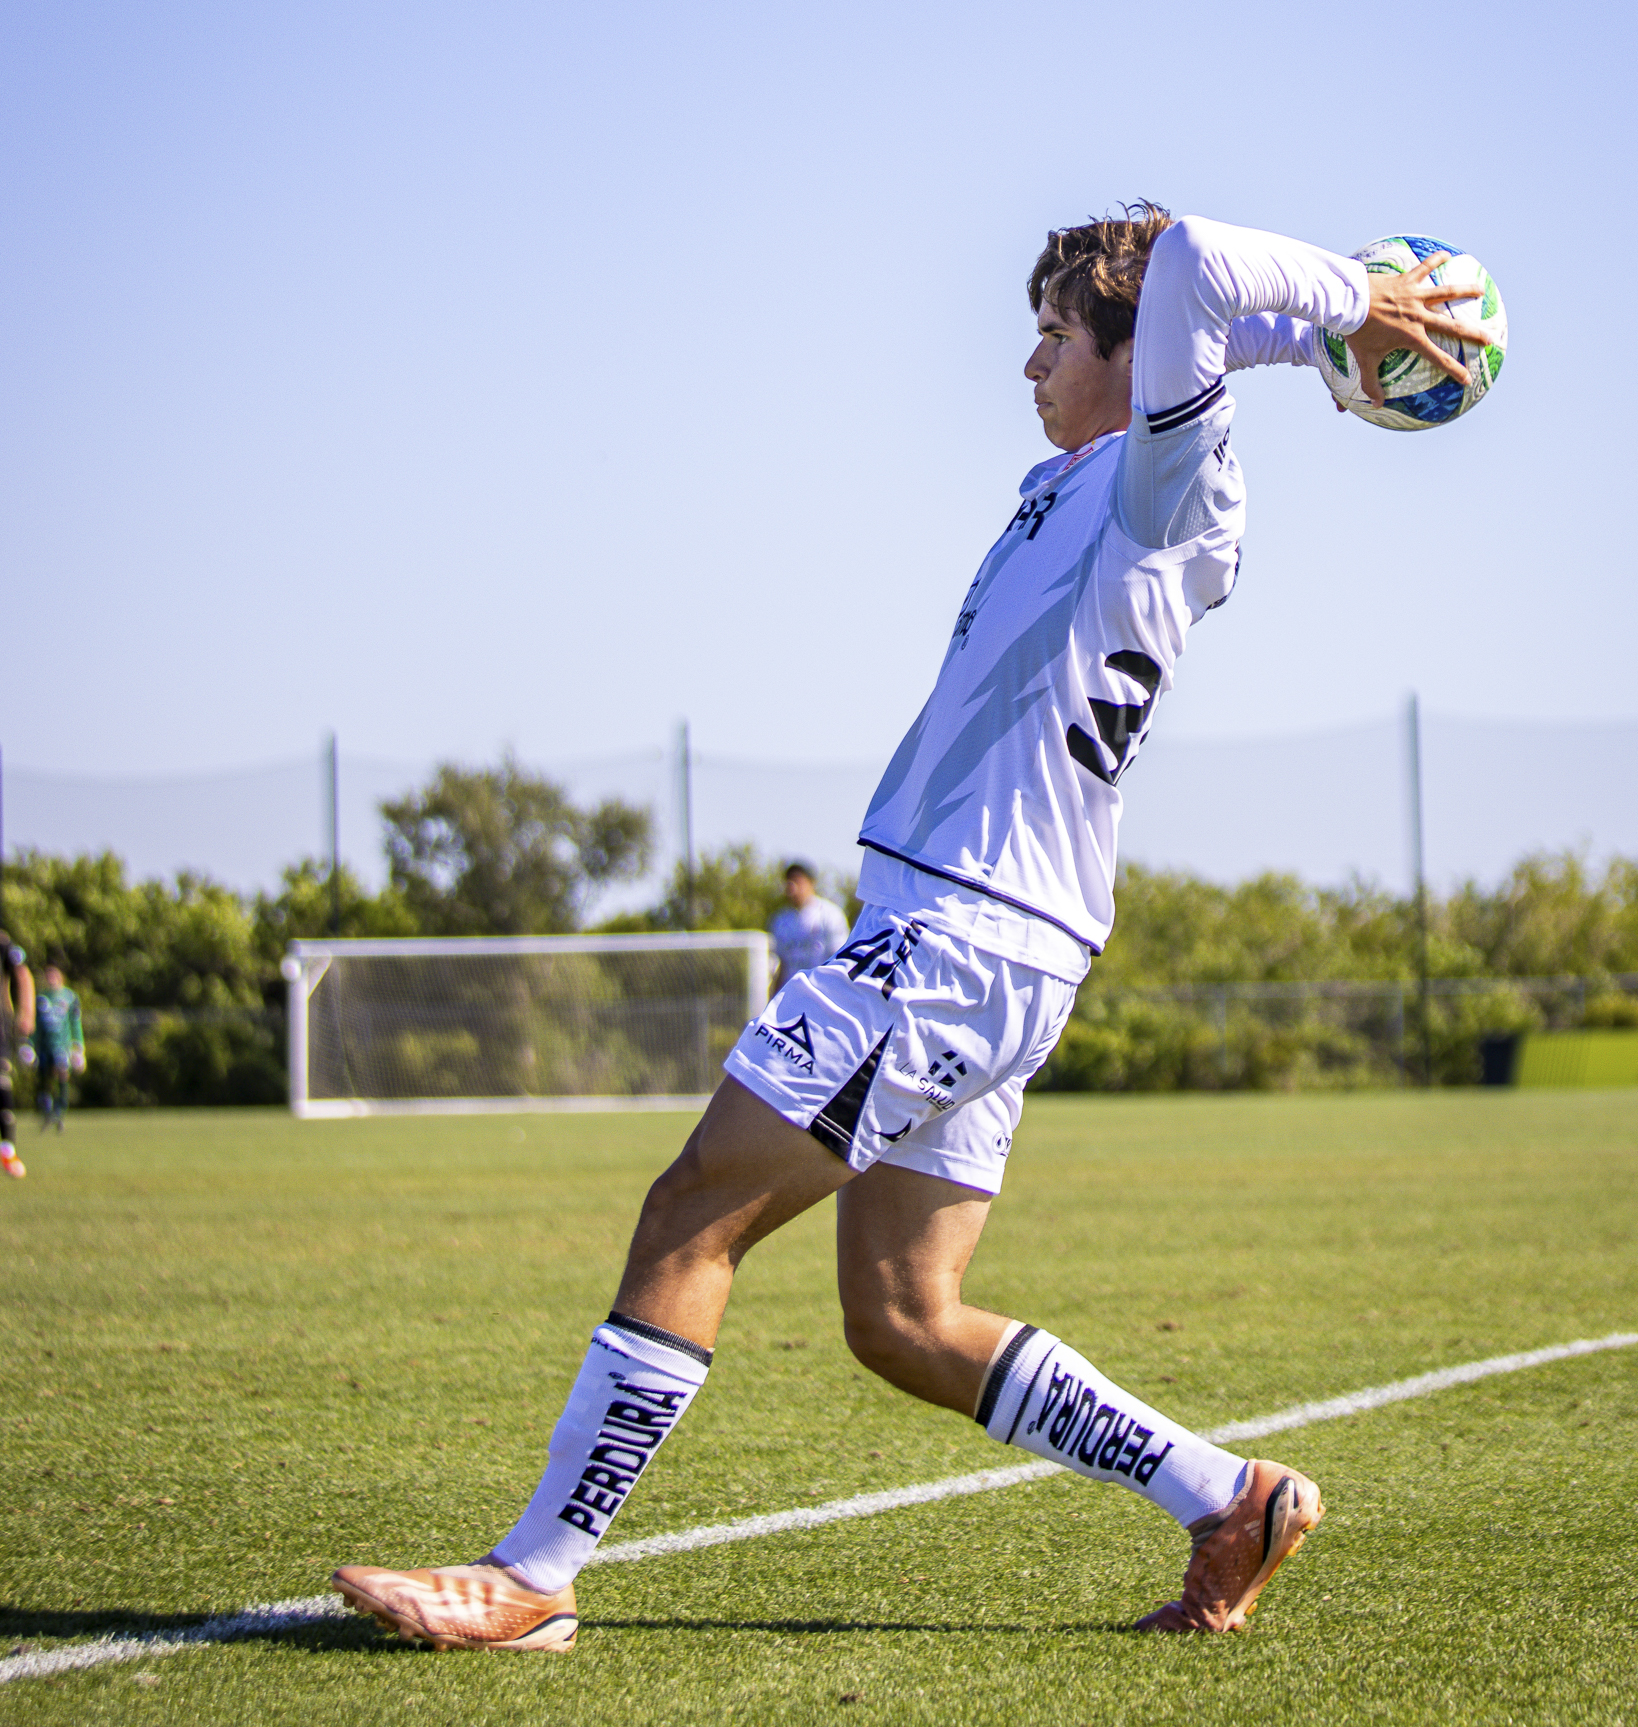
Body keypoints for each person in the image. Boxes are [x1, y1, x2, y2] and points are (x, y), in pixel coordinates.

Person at [333, 207, 1482, 1651]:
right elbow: (1192, 305)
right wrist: (1309, 337)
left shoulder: (1158, 484)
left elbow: (1193, 259)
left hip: (956, 938)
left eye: (1056, 335)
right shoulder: (1106, 479)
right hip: (996, 939)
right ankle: (1228, 1496)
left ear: (1134, 359)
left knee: (693, 1210)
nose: (1030, 362)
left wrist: (1358, 302)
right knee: (904, 1316)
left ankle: (533, 1576)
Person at [768, 861, 850, 991]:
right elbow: (780, 965)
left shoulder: (830, 915)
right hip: (792, 992)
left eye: (797, 881)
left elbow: (840, 959)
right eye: (789, 882)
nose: (792, 887)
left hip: (821, 991)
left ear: (811, 883)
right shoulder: (780, 920)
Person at [33, 958, 84, 1133]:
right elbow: (35, 1024)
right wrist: (30, 1043)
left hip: (62, 1045)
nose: (51, 977)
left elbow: (75, 1022)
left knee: (62, 1074)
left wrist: (78, 1045)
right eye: (48, 974)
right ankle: (46, 1110)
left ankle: (60, 1110)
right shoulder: (41, 998)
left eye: (54, 974)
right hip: (44, 1046)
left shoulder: (69, 997)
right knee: (44, 1078)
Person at [1, 930, 35, 1179]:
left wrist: (27, 1012)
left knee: (1, 1085)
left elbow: (22, 974)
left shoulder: (3, 944)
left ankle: (8, 1150)